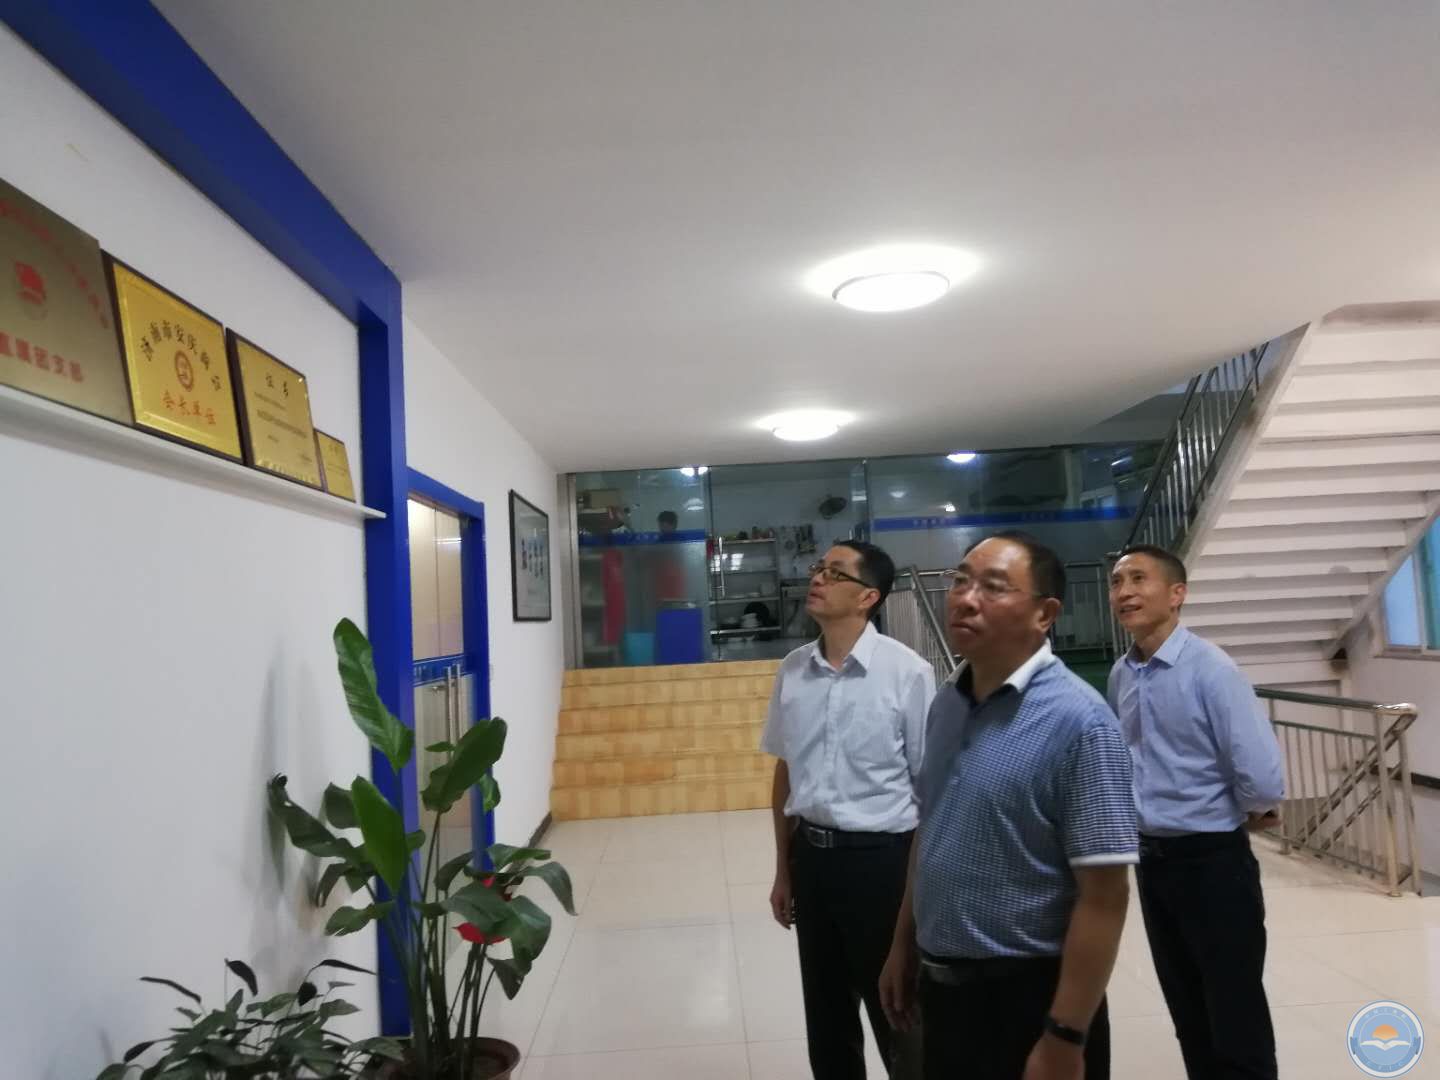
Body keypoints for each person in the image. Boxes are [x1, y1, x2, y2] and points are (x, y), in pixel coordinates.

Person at [880, 531, 1136, 1080]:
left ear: (1045, 614)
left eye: (993, 587)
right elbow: (932, 830)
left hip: (1031, 998)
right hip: (944, 992)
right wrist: (903, 945)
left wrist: (1065, 1035)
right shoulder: (947, 703)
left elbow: (1106, 896)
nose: (965, 598)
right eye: (960, 581)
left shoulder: (1081, 723)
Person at [1107, 545, 1285, 1080]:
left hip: (1213, 861)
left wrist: (1247, 810)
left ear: (1176, 594)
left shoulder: (1212, 669)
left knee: (1234, 1010)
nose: (1124, 592)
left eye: (1139, 579)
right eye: (1117, 582)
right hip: (1152, 861)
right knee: (1186, 1007)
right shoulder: (1122, 674)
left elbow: (1261, 774)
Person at [761, 540, 936, 1080]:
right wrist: (784, 869)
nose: (818, 578)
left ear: (868, 597)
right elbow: (786, 771)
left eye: (835, 573)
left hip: (882, 864)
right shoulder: (794, 669)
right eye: (819, 568)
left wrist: (916, 898)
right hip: (813, 860)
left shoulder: (908, 673)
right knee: (827, 1017)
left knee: (898, 1013)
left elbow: (929, 793)